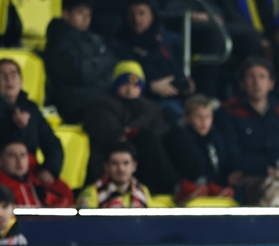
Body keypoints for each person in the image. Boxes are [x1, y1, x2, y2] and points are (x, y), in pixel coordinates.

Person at [83, 60, 181, 194]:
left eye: (135, 85)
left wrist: (135, 129)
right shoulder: (101, 105)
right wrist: (138, 131)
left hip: (147, 162)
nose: (130, 89)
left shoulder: (150, 107)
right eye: (125, 84)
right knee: (146, 137)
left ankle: (195, 182)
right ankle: (174, 187)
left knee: (176, 134)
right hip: (119, 164)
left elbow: (163, 129)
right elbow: (116, 136)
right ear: (116, 85)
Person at [214, 57, 279, 205]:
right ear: (242, 83)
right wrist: (266, 169)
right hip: (247, 178)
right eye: (250, 76)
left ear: (271, 83)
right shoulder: (228, 112)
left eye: (262, 77)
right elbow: (230, 153)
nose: (256, 82)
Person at [109, 0, 194, 120]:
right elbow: (119, 81)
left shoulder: (165, 41)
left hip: (176, 98)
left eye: (141, 13)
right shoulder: (117, 45)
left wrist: (185, 83)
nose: (136, 19)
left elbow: (176, 70)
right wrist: (150, 86)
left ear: (152, 15)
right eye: (131, 14)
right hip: (145, 102)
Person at [43, 0, 119, 124]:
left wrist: (94, 67)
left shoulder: (94, 38)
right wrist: (102, 65)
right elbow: (81, 73)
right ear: (65, 14)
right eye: (80, 13)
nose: (86, 18)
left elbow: (113, 62)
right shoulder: (57, 42)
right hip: (79, 106)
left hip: (103, 98)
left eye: (89, 14)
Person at [0, 59, 65, 187]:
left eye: (14, 74)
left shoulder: (31, 109)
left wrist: (50, 169)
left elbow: (52, 144)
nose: (9, 80)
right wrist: (10, 124)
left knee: (63, 191)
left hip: (30, 172)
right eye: (1, 76)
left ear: (21, 81)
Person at [164, 95, 237, 205]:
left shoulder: (216, 138)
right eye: (198, 116)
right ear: (186, 118)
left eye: (207, 117)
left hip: (216, 183)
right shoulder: (182, 140)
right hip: (194, 182)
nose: (204, 121)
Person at [0, 140, 74, 208]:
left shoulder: (37, 185)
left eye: (23, 155)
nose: (19, 161)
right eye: (12, 155)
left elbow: (60, 203)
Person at [77, 142, 151, 208]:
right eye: (115, 163)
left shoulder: (143, 190)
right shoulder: (92, 193)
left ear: (134, 166)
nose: (121, 169)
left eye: (126, 163)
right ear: (106, 166)